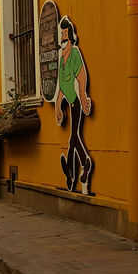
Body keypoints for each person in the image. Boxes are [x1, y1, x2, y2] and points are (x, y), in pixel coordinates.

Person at [54, 16, 93, 194]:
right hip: (70, 100)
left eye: (65, 38)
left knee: (74, 137)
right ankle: (74, 172)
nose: (63, 41)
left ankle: (81, 166)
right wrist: (57, 107)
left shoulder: (75, 53)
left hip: (77, 99)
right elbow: (61, 86)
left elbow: (82, 75)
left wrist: (84, 98)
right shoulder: (61, 58)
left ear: (71, 39)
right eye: (61, 37)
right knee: (73, 139)